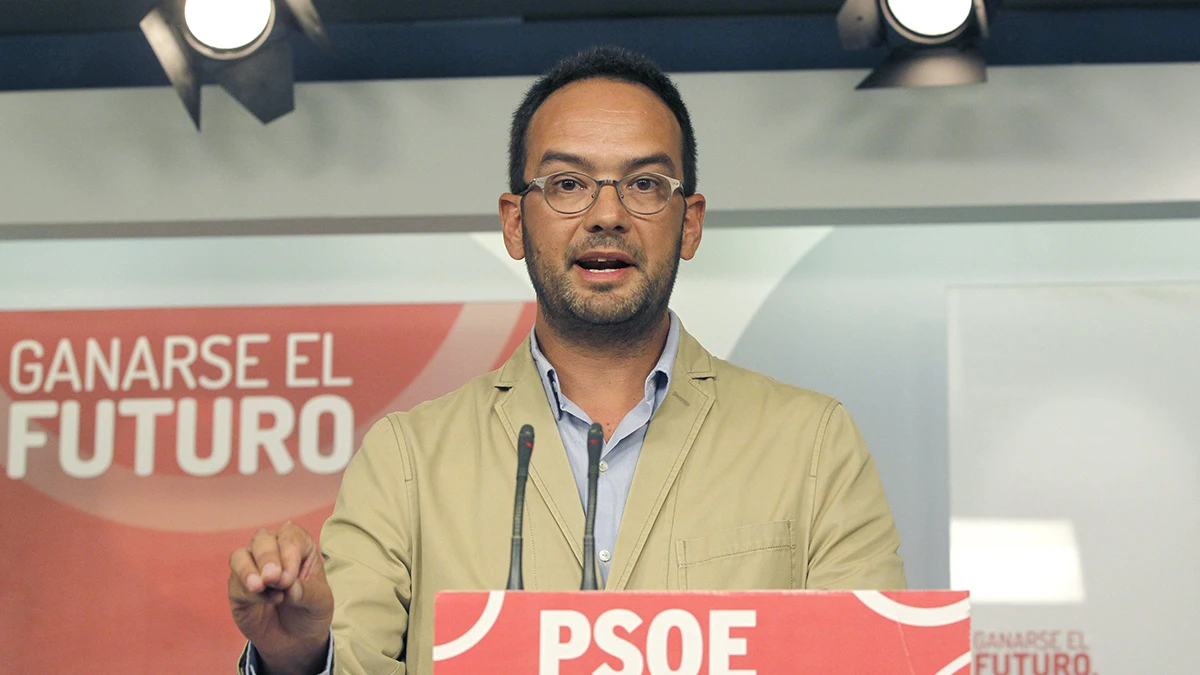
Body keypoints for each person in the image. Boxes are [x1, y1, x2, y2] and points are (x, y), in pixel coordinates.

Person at [228, 45, 906, 675]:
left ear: (690, 222)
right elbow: (354, 656)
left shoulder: (813, 441)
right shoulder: (408, 459)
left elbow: (876, 660)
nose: (606, 214)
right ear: (515, 223)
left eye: (644, 184)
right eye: (566, 184)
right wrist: (297, 656)